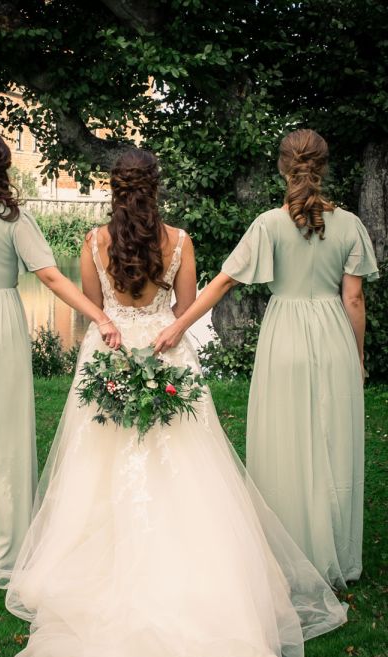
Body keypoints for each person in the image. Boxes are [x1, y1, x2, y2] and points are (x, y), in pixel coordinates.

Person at [6, 147, 347, 657]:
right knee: (188, 468)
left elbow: (94, 308)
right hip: (168, 355)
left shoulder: (92, 242)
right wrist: (159, 327)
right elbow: (185, 311)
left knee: (99, 468)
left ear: (114, 188)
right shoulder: (180, 242)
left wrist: (113, 323)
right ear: (155, 186)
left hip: (109, 352)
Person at [155, 129, 379, 589]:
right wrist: (357, 356)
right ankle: (335, 554)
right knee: (332, 441)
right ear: (324, 167)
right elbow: (354, 299)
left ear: (282, 167)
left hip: (285, 336)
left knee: (284, 437)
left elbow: (223, 282)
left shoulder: (269, 224)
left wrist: (178, 325)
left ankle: (287, 549)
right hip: (333, 337)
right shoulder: (350, 225)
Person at [0, 129, 120, 587]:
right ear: (3, 166)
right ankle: (5, 547)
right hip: (2, 324)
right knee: (5, 430)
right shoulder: (14, 218)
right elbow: (50, 278)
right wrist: (99, 316)